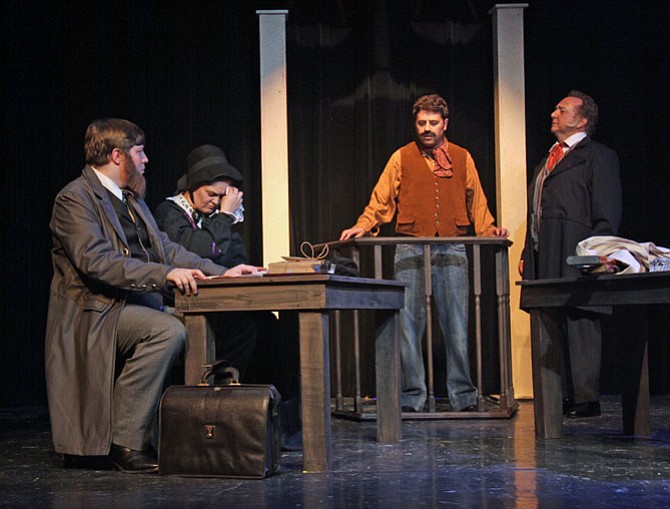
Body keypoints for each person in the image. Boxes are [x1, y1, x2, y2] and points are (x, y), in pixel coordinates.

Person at [45, 119, 263, 474]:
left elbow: (168, 250)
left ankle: (196, 435)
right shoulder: (75, 198)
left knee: (219, 326)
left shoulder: (132, 201)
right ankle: (126, 441)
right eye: (139, 151)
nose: (146, 160)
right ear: (117, 155)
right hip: (95, 313)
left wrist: (222, 273)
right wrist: (163, 274)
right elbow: (96, 260)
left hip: (134, 306)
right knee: (165, 330)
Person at [340, 94, 508, 413]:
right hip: (409, 245)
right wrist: (363, 225)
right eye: (421, 123)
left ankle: (463, 395)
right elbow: (381, 198)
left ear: (445, 123)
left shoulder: (462, 157)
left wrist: (489, 230)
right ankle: (412, 394)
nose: (426, 129)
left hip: (452, 245)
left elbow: (477, 200)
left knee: (457, 323)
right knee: (407, 323)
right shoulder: (402, 157)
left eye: (433, 123)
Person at [154, 145, 300, 437]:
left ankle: (275, 421)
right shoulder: (169, 212)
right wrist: (224, 217)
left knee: (272, 327)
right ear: (193, 188)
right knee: (242, 329)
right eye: (212, 194)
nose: (217, 202)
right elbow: (195, 251)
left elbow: (232, 259)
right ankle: (219, 412)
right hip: (181, 303)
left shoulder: (213, 219)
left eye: (223, 197)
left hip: (216, 302)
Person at [520, 90, 622, 418]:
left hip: (576, 249)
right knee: (551, 320)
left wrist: (596, 252)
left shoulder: (597, 156)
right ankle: (562, 393)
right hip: (545, 250)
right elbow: (535, 211)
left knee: (580, 319)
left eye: (561, 110)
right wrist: (527, 250)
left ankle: (585, 397)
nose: (553, 113)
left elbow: (607, 211)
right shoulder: (547, 159)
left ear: (581, 119)